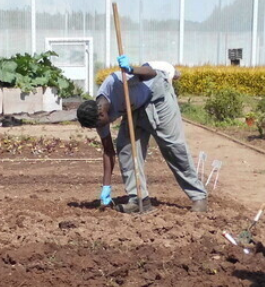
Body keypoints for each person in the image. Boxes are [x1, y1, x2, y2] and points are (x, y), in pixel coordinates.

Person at [76, 57, 208, 214]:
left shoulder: (115, 82)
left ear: (100, 112)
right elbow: (108, 152)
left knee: (173, 148)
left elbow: (151, 72)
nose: (102, 128)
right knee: (125, 150)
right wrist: (106, 187)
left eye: (100, 124)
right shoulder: (98, 119)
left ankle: (198, 196)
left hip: (157, 98)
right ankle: (139, 199)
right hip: (134, 109)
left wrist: (131, 69)